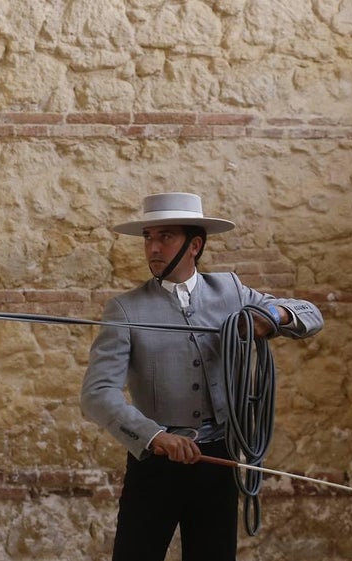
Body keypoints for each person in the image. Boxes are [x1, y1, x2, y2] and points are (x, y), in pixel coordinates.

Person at [80, 192, 323, 561]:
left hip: (218, 459)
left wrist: (273, 316)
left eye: (166, 237)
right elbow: (97, 393)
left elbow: (308, 313)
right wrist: (155, 436)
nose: (153, 248)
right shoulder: (125, 309)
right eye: (148, 237)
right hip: (154, 464)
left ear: (194, 245)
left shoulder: (231, 291)